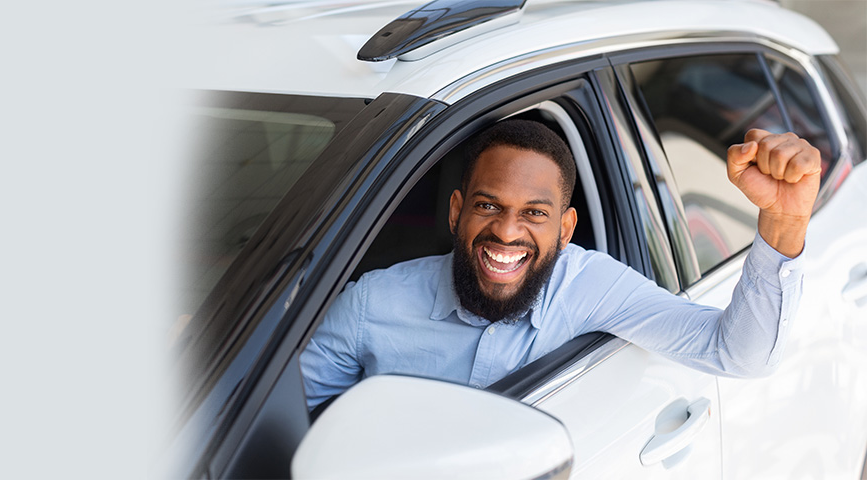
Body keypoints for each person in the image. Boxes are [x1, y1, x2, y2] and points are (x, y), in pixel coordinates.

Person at [300, 119, 819, 409]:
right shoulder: (371, 304)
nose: (506, 231)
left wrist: (782, 222)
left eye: (534, 213)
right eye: (487, 206)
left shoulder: (587, 285)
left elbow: (738, 354)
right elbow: (284, 424)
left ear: (565, 230)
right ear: (457, 211)